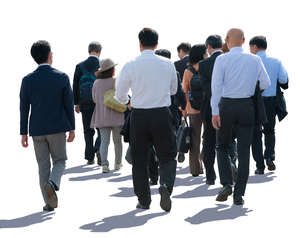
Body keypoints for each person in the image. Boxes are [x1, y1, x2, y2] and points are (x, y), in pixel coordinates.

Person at [115, 28, 178, 212]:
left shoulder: (130, 64)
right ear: (157, 44)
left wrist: (128, 101)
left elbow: (120, 95)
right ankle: (166, 185)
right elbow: (173, 90)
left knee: (140, 159)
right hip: (161, 114)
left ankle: (144, 200)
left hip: (139, 115)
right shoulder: (168, 64)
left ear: (140, 44)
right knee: (167, 155)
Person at [211, 28, 271, 205]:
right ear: (244, 40)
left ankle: (227, 184)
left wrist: (215, 112)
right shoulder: (255, 59)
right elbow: (266, 83)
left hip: (227, 106)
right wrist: (251, 87)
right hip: (247, 106)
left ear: (227, 40)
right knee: (244, 151)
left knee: (221, 146)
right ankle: (239, 195)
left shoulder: (222, 59)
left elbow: (216, 87)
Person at [20, 40, 75, 212]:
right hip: (57, 128)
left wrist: (23, 132)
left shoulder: (27, 80)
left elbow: (23, 108)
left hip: (37, 130)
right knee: (60, 160)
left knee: (43, 166)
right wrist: (72, 128)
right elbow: (68, 104)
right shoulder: (62, 77)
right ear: (50, 55)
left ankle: (49, 202)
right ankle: (53, 183)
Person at [249, 36, 288, 174]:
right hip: (271, 101)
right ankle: (270, 157)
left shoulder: (250, 62)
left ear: (254, 47)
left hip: (254, 102)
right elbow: (284, 79)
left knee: (255, 133)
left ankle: (260, 166)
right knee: (270, 131)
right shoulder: (276, 61)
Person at [197, 35, 223, 185]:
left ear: (208, 47)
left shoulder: (204, 64)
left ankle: (210, 176)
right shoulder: (228, 60)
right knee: (228, 141)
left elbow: (206, 89)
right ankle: (231, 167)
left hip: (209, 108)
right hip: (228, 105)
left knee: (209, 142)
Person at [90, 59, 124, 173]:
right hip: (116, 116)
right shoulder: (116, 81)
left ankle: (105, 165)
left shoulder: (96, 83)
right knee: (117, 141)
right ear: (112, 69)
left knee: (104, 142)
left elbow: (94, 100)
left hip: (102, 117)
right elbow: (122, 97)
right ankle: (118, 163)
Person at [155, 49, 187, 163]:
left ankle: (158, 158)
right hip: (171, 111)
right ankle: (169, 157)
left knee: (156, 137)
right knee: (170, 136)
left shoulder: (151, 73)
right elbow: (179, 91)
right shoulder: (174, 72)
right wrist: (184, 106)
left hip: (153, 110)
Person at [73, 42, 102, 165]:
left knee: (87, 130)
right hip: (100, 102)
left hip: (85, 101)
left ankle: (90, 157)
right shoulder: (103, 66)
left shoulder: (80, 66)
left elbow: (75, 86)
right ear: (99, 52)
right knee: (101, 129)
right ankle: (99, 149)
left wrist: (76, 103)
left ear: (88, 51)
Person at [182, 44, 208, 177]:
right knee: (208, 138)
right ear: (202, 54)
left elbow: (185, 91)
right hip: (207, 107)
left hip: (193, 109)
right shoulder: (208, 67)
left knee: (194, 140)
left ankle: (195, 169)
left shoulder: (188, 71)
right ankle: (204, 158)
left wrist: (185, 109)